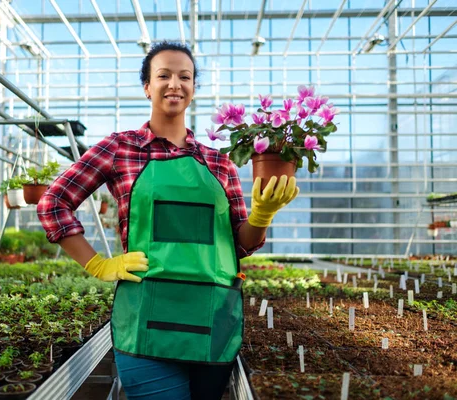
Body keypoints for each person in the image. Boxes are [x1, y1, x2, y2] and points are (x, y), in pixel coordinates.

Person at [37, 41, 299, 400]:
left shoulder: (219, 162)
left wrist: (262, 215)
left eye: (184, 76)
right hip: (146, 318)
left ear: (193, 89)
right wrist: (98, 264)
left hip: (212, 319)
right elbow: (53, 202)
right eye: (164, 75)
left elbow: (242, 242)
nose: (174, 84)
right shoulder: (120, 148)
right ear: (147, 86)